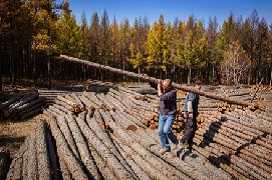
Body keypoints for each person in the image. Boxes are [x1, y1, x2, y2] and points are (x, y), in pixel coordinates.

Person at [157, 79, 178, 154]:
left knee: (166, 130)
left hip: (170, 114)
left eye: (165, 87)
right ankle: (165, 147)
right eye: (163, 86)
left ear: (169, 86)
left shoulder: (173, 92)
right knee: (160, 132)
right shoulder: (165, 88)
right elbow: (152, 84)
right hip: (162, 114)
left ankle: (175, 142)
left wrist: (159, 87)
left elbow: (161, 97)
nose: (164, 88)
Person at [179, 81, 201, 150]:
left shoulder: (195, 92)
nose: (201, 87)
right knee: (190, 128)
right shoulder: (193, 91)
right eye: (199, 85)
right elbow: (189, 102)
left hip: (192, 113)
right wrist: (190, 113)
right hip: (190, 113)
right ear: (196, 85)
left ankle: (189, 142)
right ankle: (182, 141)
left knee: (193, 127)